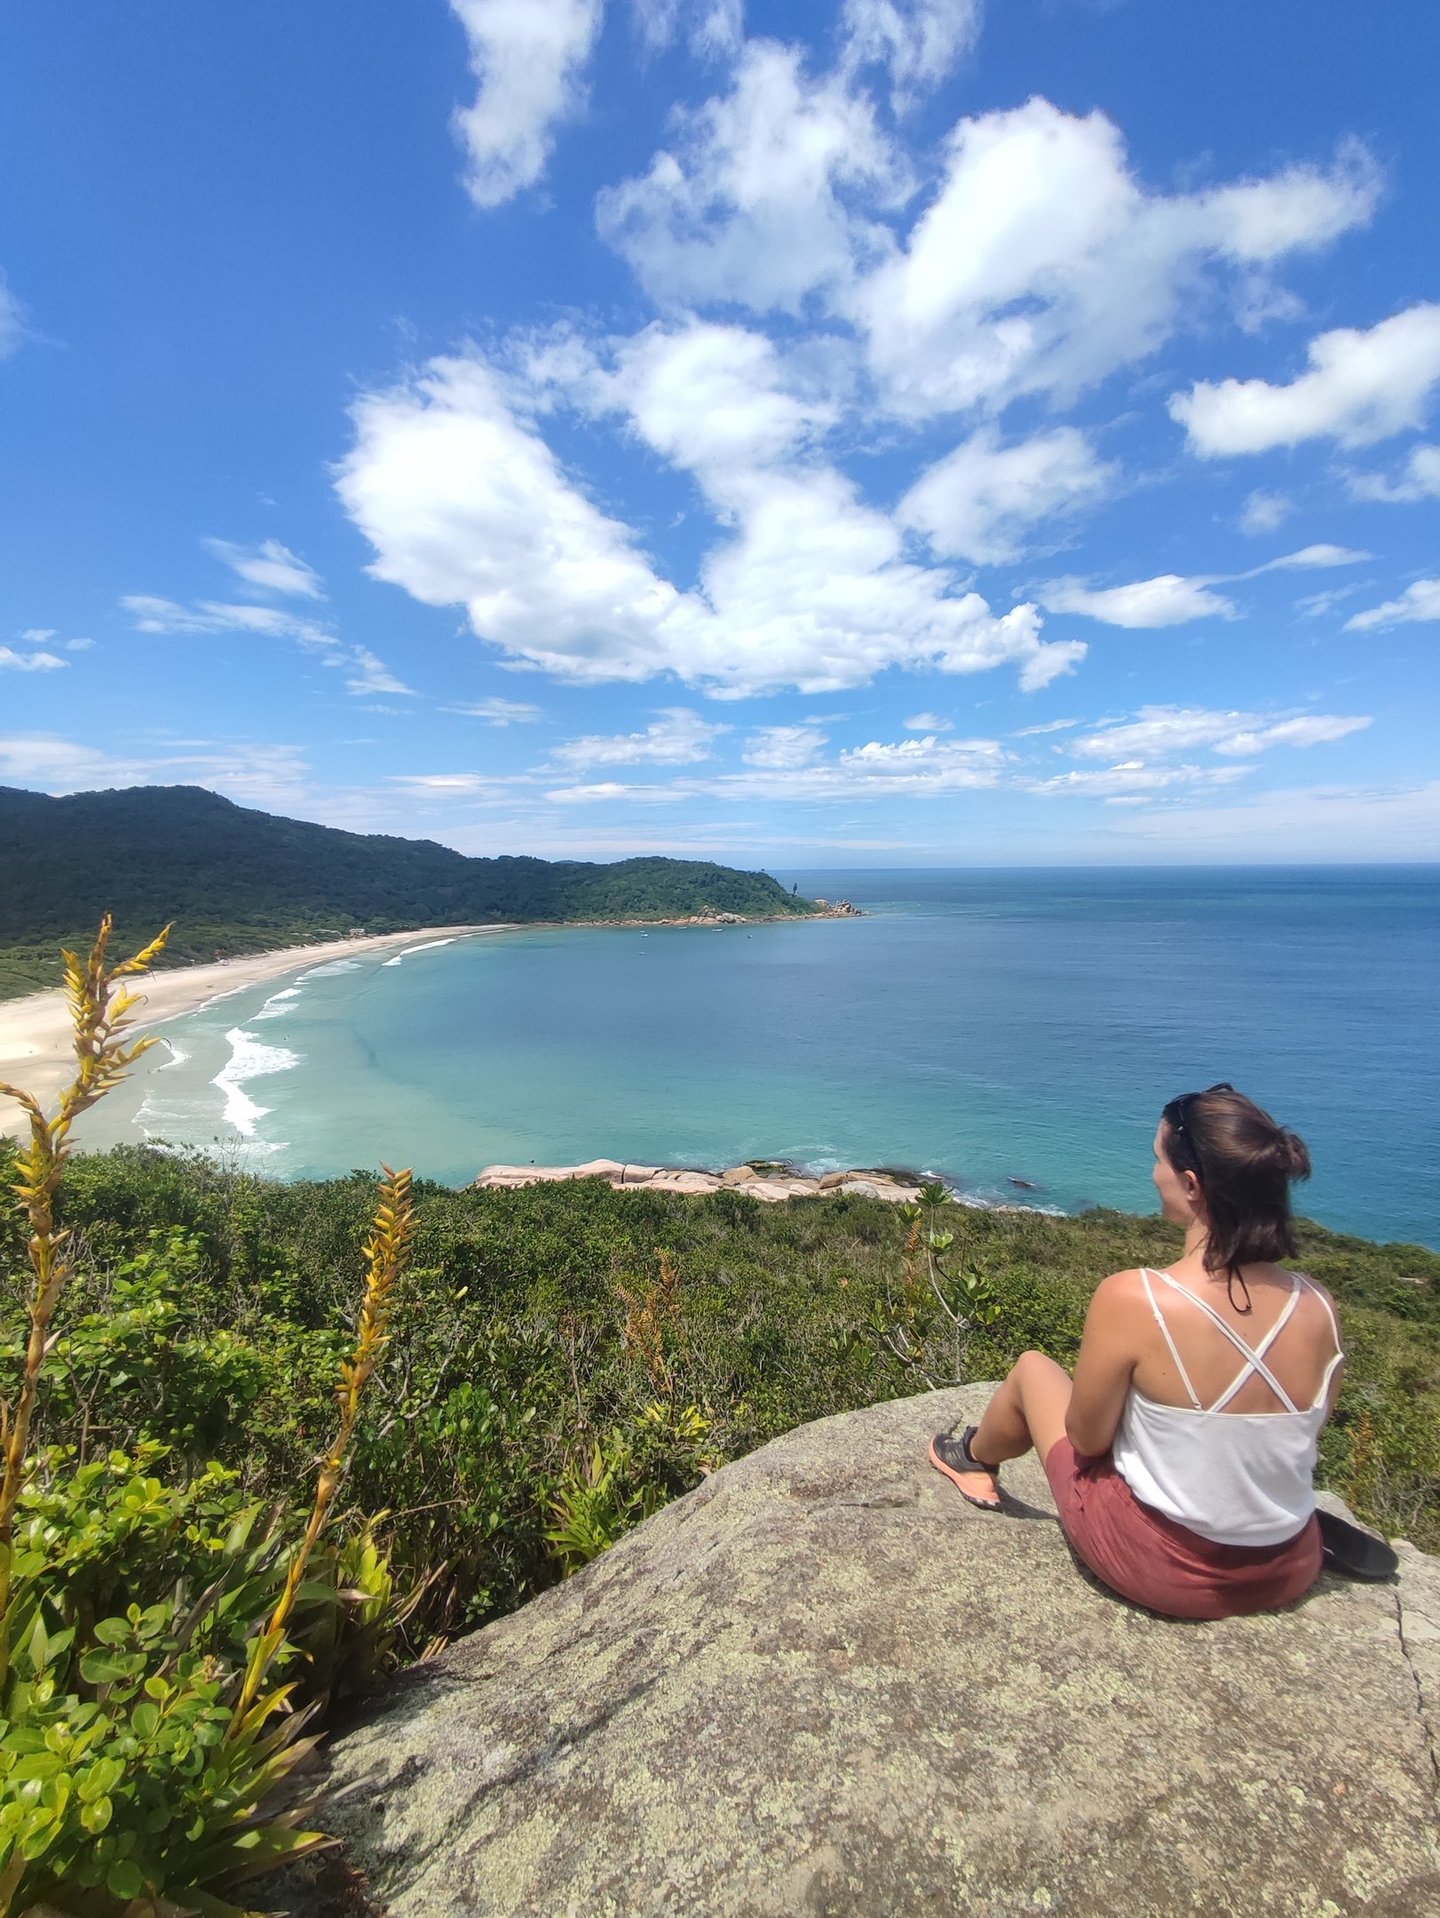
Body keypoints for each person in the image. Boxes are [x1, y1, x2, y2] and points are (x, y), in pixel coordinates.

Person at [928, 1084, 1344, 1620]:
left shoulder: (1136, 1297)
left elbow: (1087, 1439)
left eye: (1158, 1160)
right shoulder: (1320, 1305)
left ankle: (972, 1457)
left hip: (1167, 1570)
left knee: (1033, 1367)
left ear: (1191, 1185)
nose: (1153, 1174)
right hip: (1288, 1563)